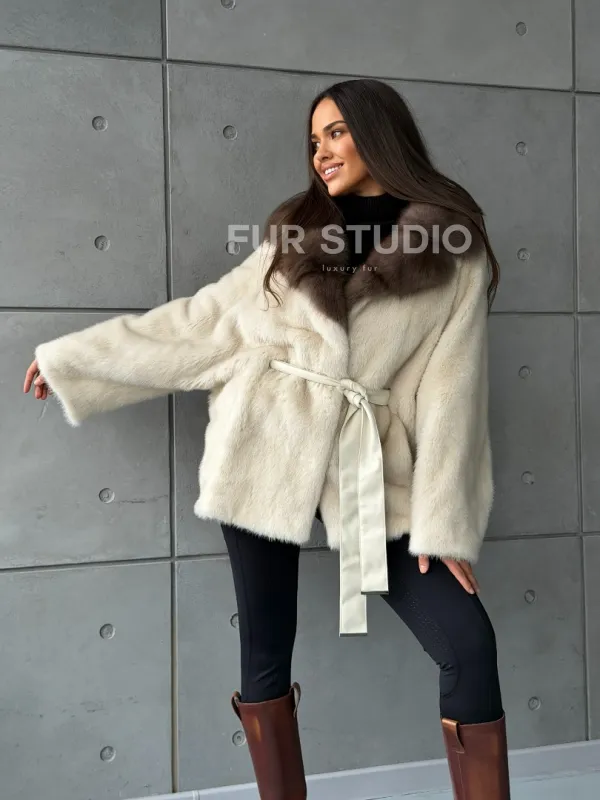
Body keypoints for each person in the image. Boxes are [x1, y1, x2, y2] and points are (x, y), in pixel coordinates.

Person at [23, 78, 510, 800]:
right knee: (264, 656)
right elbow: (203, 322)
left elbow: (451, 392)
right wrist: (74, 361)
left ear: (380, 134)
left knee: (467, 642)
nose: (321, 152)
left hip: (367, 460)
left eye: (337, 132)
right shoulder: (292, 235)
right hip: (264, 442)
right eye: (314, 140)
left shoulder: (449, 247)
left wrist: (444, 524)